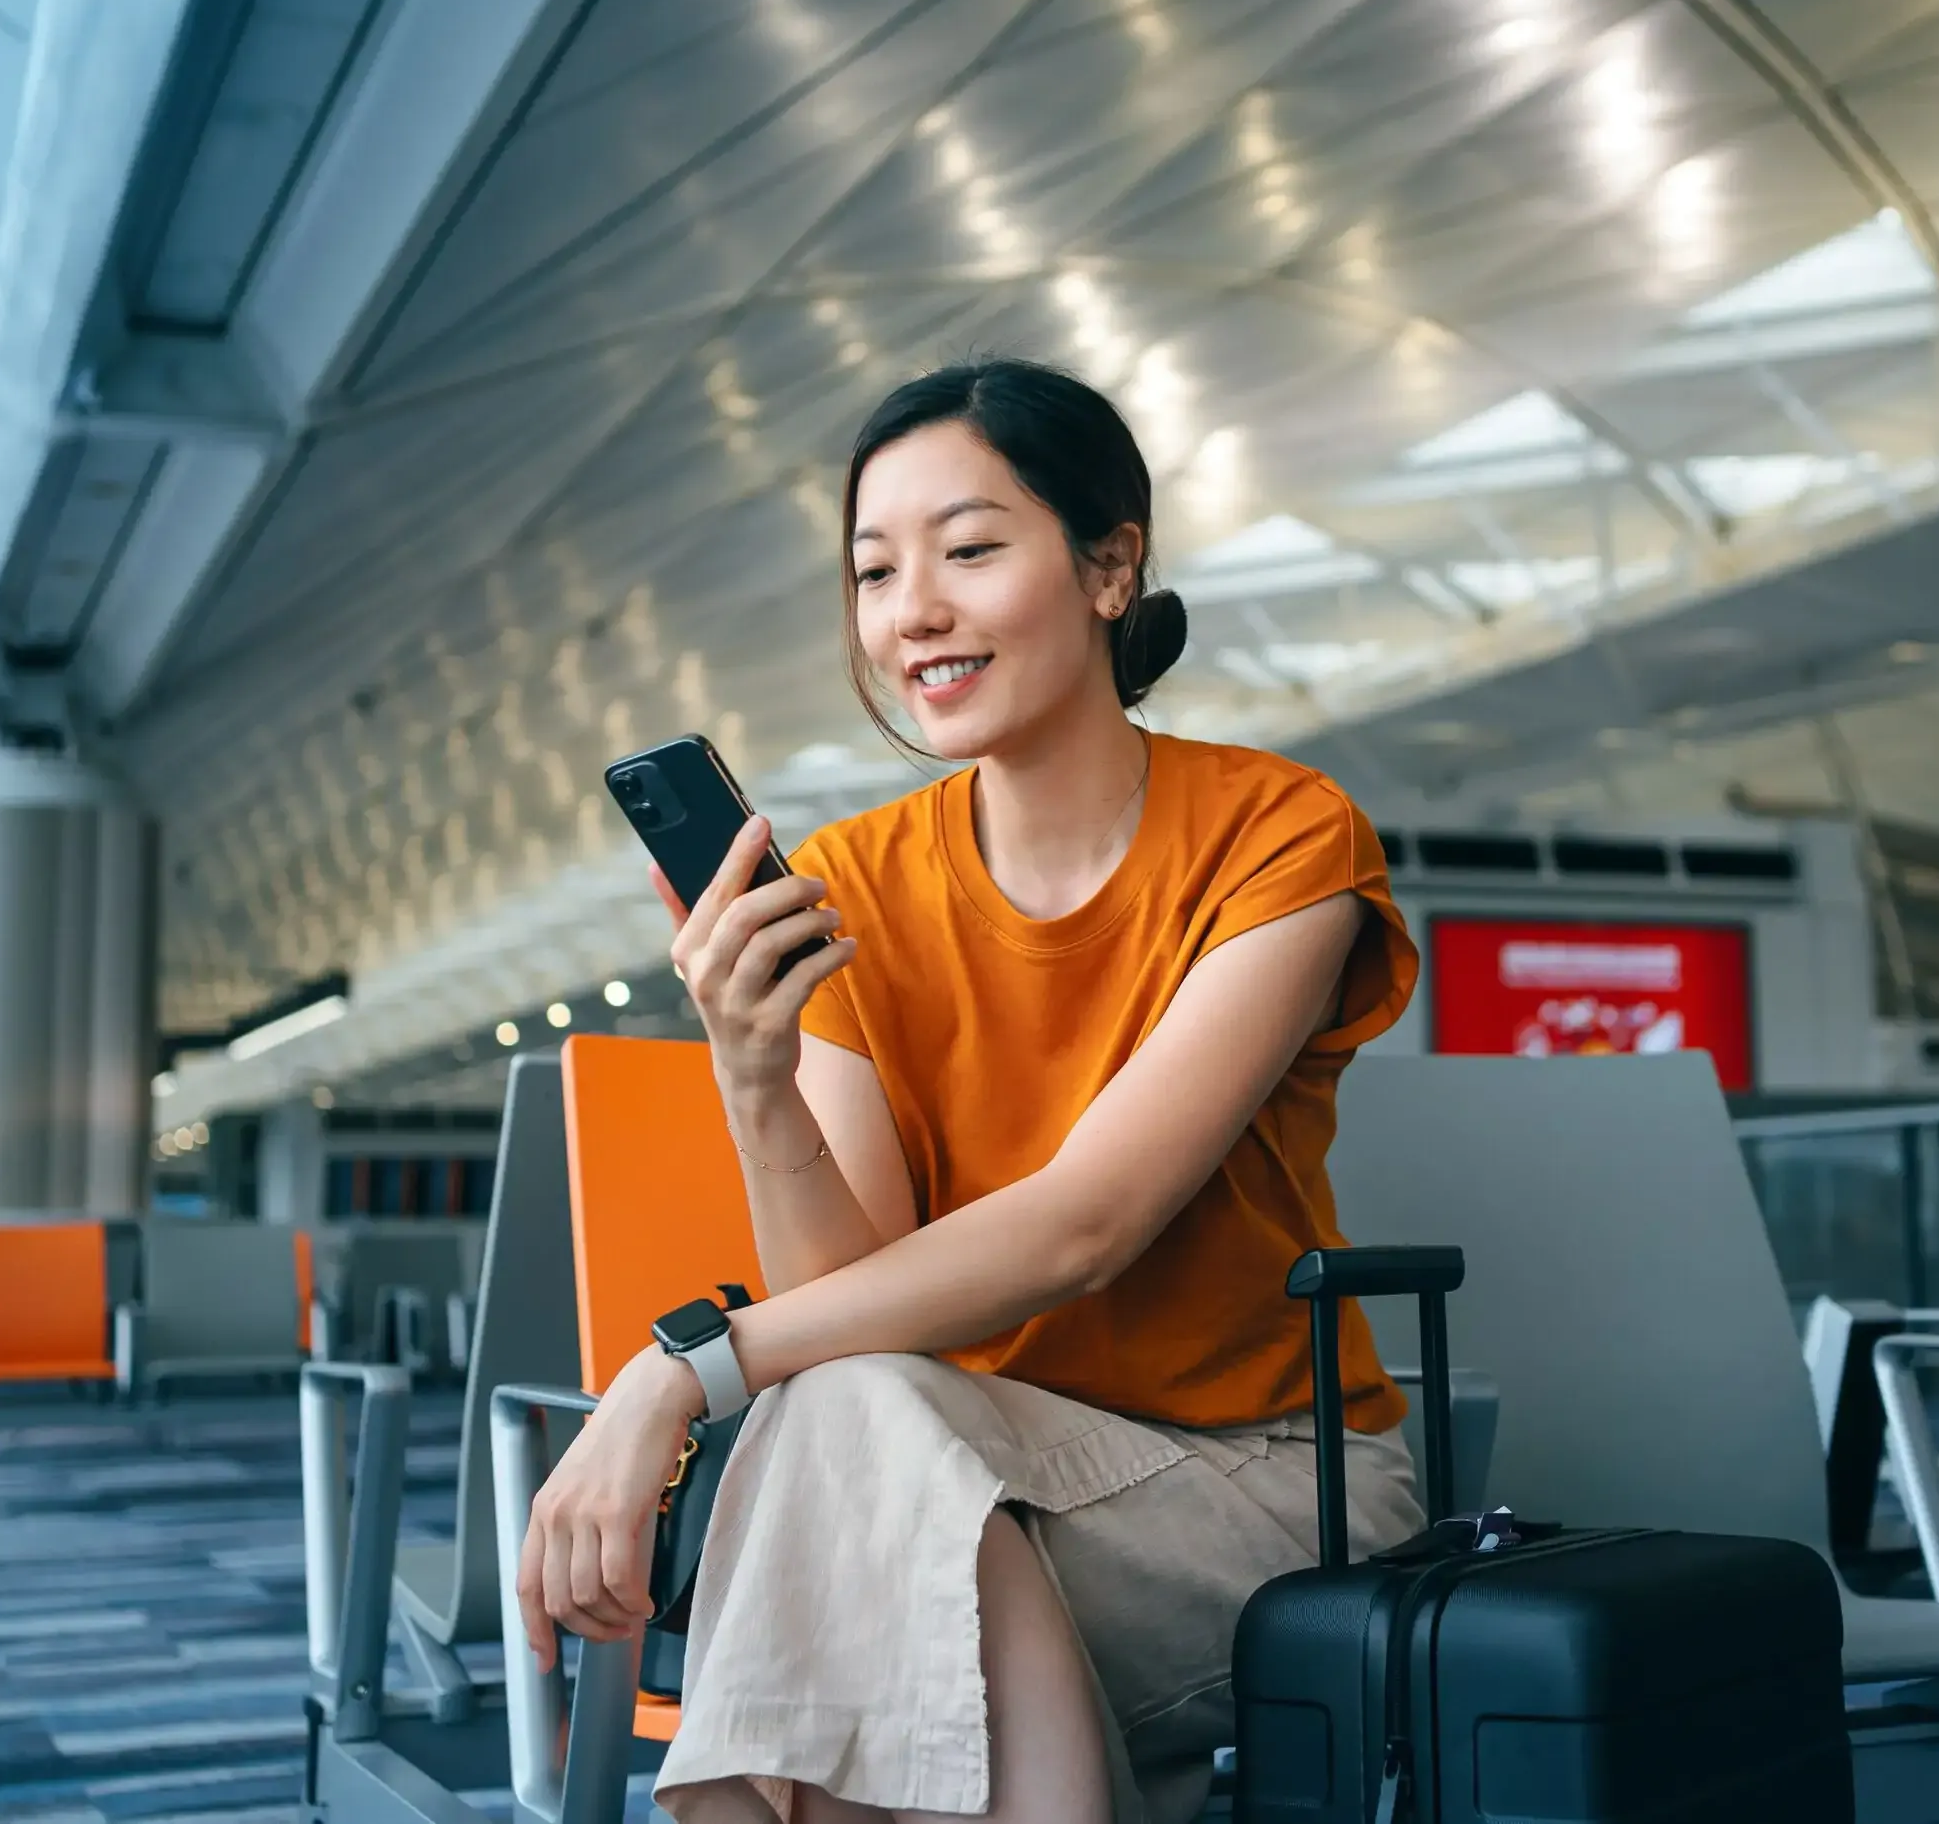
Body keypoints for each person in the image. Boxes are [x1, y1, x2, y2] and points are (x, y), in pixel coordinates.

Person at [515, 358, 1426, 1824]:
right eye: (876, 571)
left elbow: (1083, 1227)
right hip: (940, 1462)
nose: (912, 611)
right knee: (864, 1452)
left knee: (845, 1534)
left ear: (1111, 563)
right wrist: (755, 1075)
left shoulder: (1278, 834)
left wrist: (680, 1368)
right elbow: (853, 1304)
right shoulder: (860, 886)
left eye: (971, 547)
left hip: (1261, 1487)